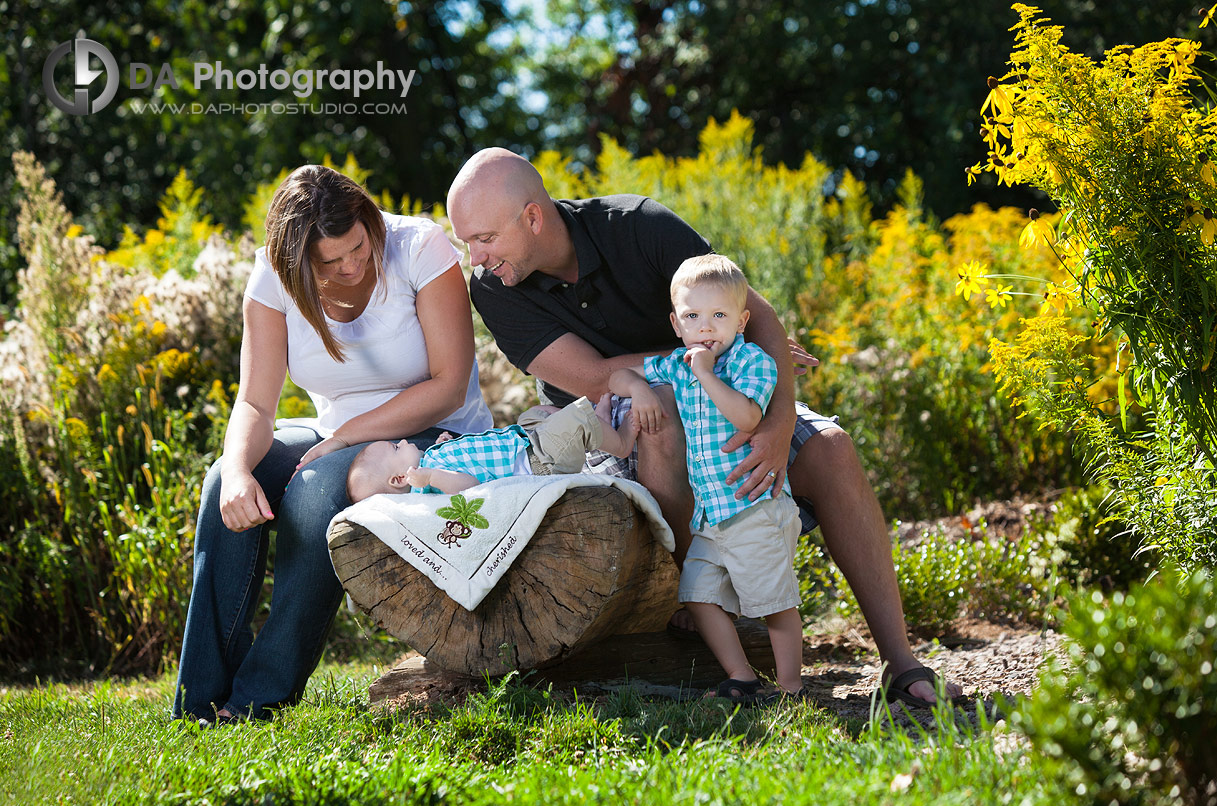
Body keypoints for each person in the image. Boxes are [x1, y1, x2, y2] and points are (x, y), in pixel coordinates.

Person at [446, 148, 964, 707]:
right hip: (616, 426)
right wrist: (702, 358)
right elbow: (599, 378)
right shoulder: (494, 288)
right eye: (468, 241)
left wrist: (779, 421)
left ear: (531, 217)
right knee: (660, 407)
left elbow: (755, 314)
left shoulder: (639, 227)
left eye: (484, 238)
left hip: (721, 392)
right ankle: (709, 618)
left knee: (832, 449)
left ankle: (901, 661)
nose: (475, 257)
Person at [172, 165, 493, 724]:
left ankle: (258, 699)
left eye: (358, 248)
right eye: (331, 261)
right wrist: (242, 472)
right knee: (225, 477)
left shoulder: (418, 246)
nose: (351, 266)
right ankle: (198, 701)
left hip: (433, 436)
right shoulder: (273, 278)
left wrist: (343, 437)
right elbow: (254, 403)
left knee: (314, 490)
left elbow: (447, 384)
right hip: (334, 436)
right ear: (297, 261)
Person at [610, 255, 805, 703]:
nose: (707, 327)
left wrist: (705, 374)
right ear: (677, 324)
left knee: (774, 602)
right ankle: (742, 676)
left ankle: (792, 688)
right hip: (712, 514)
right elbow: (618, 375)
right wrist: (639, 389)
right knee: (696, 595)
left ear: (742, 320)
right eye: (694, 317)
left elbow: (749, 416)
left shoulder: (752, 362)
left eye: (719, 316)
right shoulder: (677, 363)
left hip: (754, 507)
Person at [345, 394, 636, 499]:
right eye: (396, 449)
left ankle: (594, 429)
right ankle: (617, 441)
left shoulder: (430, 461)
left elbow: (465, 462)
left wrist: (443, 446)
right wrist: (433, 476)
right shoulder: (428, 486)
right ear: (399, 479)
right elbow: (469, 486)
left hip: (523, 440)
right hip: (539, 463)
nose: (404, 442)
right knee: (575, 420)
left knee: (538, 412)